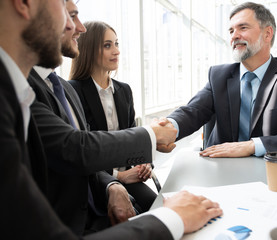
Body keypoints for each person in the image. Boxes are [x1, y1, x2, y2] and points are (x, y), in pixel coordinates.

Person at [0, 0, 222, 239]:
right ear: (24, 3)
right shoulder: (19, 94)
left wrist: (111, 185)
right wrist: (170, 217)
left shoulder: (39, 90)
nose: (77, 27)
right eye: (65, 8)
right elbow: (76, 147)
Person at [27, 0, 174, 235]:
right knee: (166, 217)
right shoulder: (40, 88)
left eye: (116, 44)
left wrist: (118, 181)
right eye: (71, 15)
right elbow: (78, 148)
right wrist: (149, 138)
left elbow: (89, 150)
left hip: (104, 188)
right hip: (72, 216)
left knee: (161, 206)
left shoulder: (64, 88)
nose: (79, 27)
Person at [161, 2, 277, 158]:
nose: (234, 36)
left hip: (270, 172)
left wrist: (253, 146)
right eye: (231, 31)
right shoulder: (219, 76)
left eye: (243, 27)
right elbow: (193, 111)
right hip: (221, 169)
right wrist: (167, 128)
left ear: (267, 33)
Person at [68, 21, 156, 214]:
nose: (116, 51)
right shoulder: (73, 91)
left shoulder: (124, 90)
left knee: (157, 206)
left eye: (116, 44)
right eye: (107, 45)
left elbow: (132, 135)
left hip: (129, 176)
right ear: (89, 49)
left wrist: (144, 164)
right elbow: (82, 151)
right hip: (98, 181)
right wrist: (120, 176)